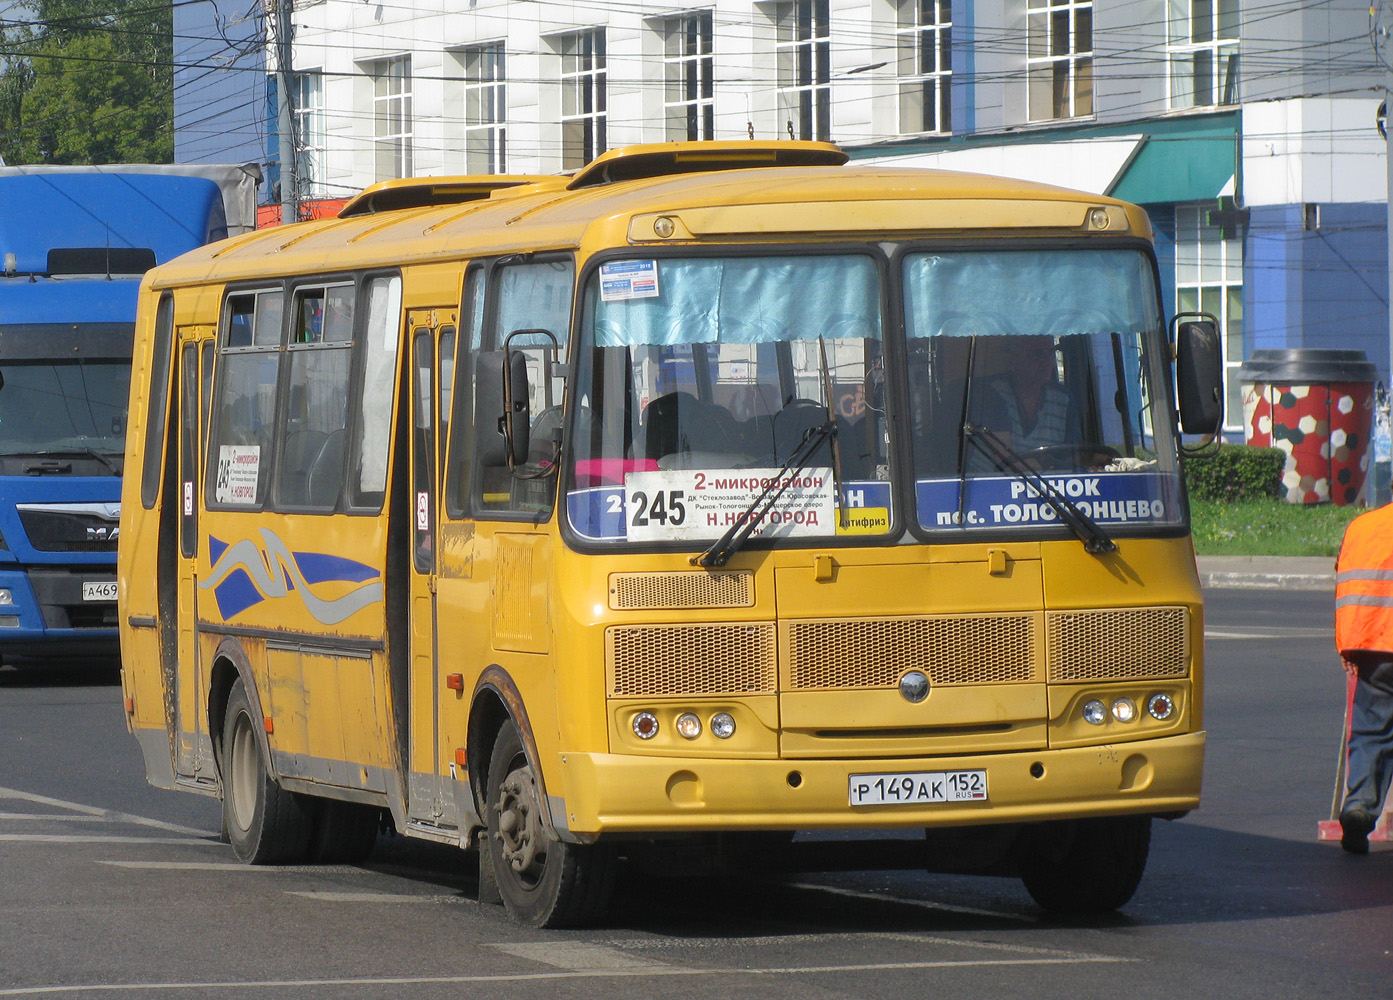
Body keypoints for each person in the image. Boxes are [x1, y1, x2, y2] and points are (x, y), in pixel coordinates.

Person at [1333, 501, 1393, 853]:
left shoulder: (1361, 527)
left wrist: (1348, 647)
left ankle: (1358, 808)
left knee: (1371, 733)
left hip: (1373, 647)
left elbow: (1345, 588)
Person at [968, 335, 1085, 471]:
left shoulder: (1064, 400)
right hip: (988, 486)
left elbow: (1073, 457)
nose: (1047, 361)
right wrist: (1051, 465)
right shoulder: (991, 394)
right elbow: (1006, 461)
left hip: (1047, 489)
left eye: (1051, 352)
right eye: (1037, 354)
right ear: (1011, 361)